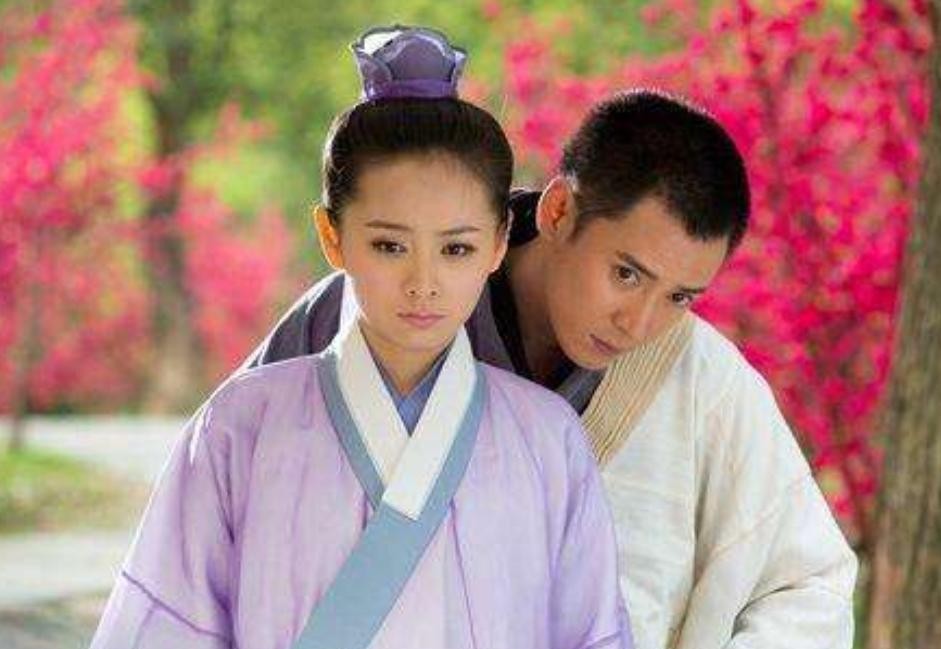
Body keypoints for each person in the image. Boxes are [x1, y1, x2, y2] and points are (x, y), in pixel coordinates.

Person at [245, 85, 859, 647]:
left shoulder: (704, 381)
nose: (639, 324)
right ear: (559, 210)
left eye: (679, 297)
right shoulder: (368, 312)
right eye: (627, 274)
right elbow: (223, 511)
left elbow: (808, 585)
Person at [90, 26, 633, 649]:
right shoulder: (241, 424)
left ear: (499, 242)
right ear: (332, 237)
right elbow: (168, 626)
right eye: (389, 246)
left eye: (456, 249)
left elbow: (593, 635)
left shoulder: (548, 438)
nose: (423, 283)